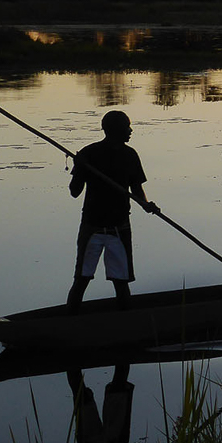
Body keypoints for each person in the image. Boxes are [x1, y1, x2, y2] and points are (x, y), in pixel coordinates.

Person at [66, 110, 159, 313]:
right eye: (127, 126)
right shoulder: (88, 154)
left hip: (119, 227)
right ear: (115, 130)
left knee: (121, 281)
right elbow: (74, 192)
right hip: (92, 228)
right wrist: (78, 168)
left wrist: (146, 204)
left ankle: (125, 321)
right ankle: (69, 321)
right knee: (81, 279)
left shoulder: (130, 155)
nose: (130, 130)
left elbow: (136, 189)